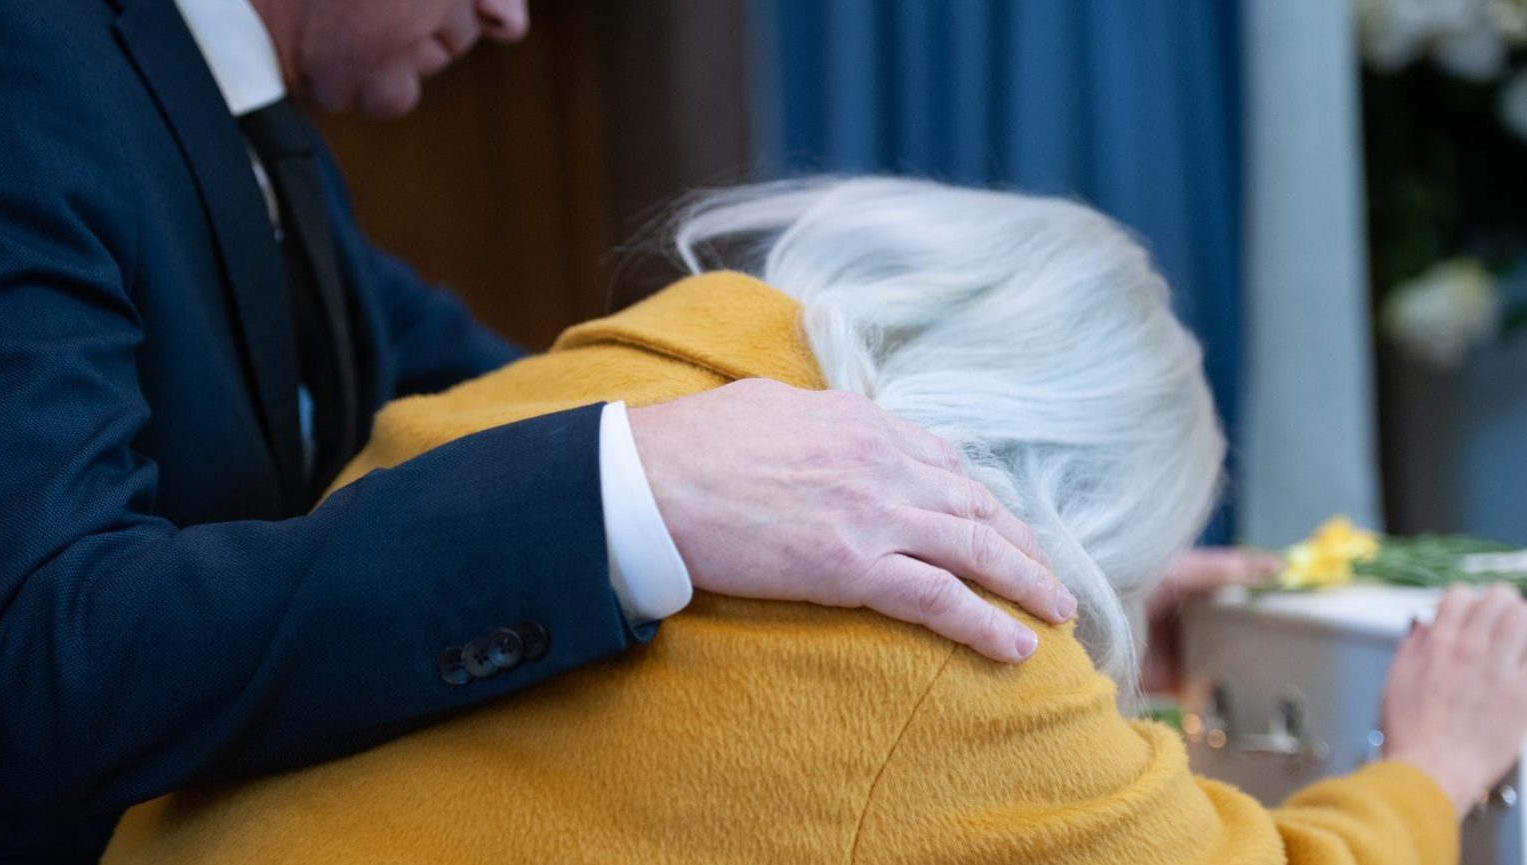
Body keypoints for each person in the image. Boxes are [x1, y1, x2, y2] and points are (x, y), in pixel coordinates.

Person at [103, 176, 1527, 864]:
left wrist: (1102, 646)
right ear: (1071, 497)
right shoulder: (925, 653)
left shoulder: (581, 402)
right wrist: (1431, 766)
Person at [0, 2, 1074, 862]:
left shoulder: (250, 133)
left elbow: (525, 387)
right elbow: (42, 656)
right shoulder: (26, 64)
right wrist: (631, 492)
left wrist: (1039, 537)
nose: (512, 17)